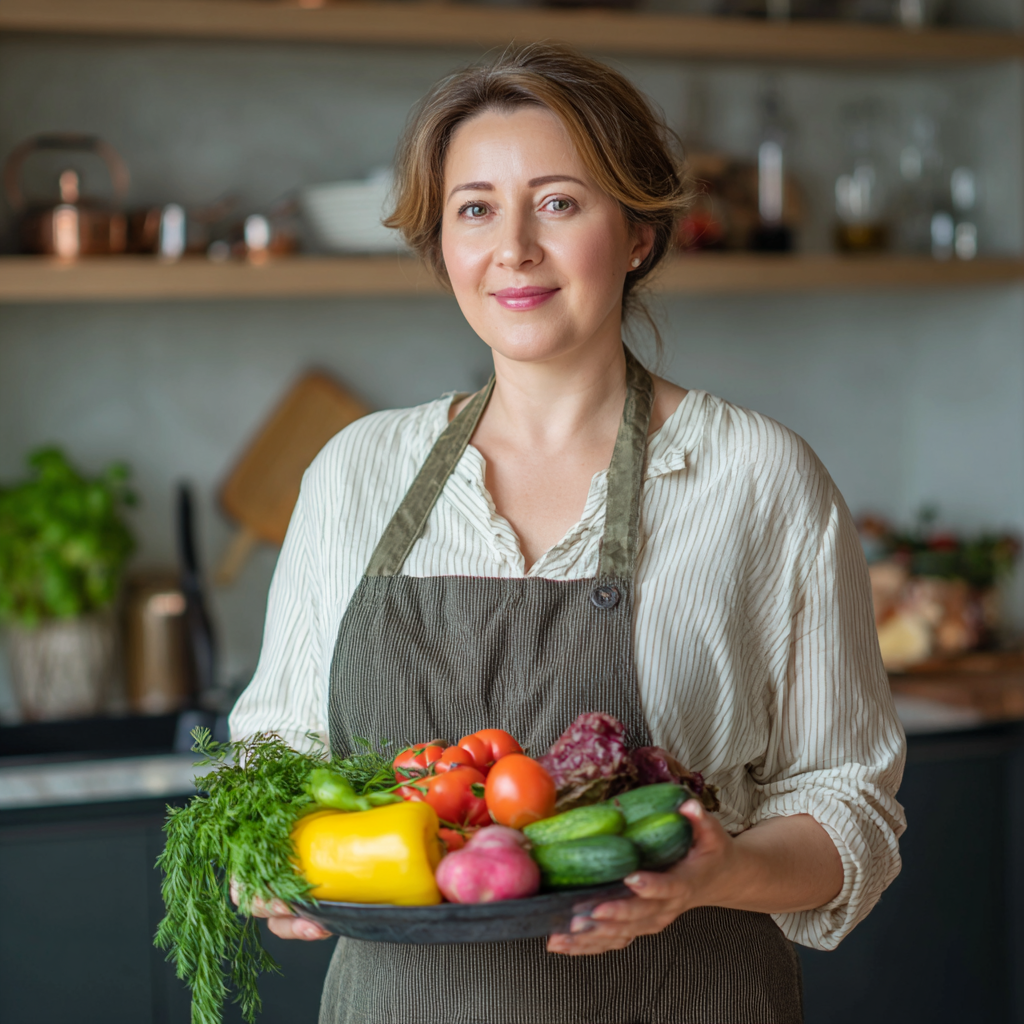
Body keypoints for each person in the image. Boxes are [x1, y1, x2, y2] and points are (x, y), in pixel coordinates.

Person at [230, 42, 906, 1024]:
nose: (512, 248)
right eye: (474, 208)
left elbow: (848, 809)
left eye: (557, 202)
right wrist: (265, 863)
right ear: (441, 246)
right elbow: (273, 757)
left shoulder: (755, 477)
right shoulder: (356, 472)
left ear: (635, 233)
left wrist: (710, 876)